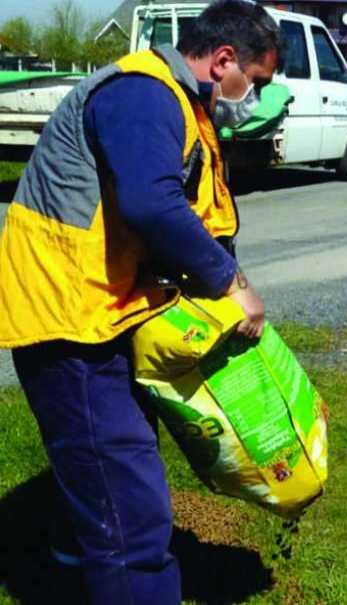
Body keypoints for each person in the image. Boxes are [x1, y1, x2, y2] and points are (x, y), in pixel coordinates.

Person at [0, 1, 279, 602]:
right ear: (223, 60)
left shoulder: (174, 100)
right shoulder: (144, 96)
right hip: (70, 323)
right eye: (255, 82)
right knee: (130, 511)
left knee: (105, 471)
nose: (254, 98)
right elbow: (153, 205)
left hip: (103, 313)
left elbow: (192, 214)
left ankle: (67, 569)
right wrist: (233, 285)